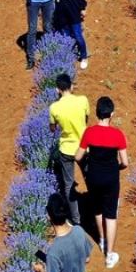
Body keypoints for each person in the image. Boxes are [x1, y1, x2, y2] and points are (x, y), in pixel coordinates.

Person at [75, 97, 128, 269]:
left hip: (94, 177)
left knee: (97, 209)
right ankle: (109, 255)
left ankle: (102, 240)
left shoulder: (89, 133)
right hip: (111, 178)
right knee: (110, 214)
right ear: (111, 114)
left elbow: (78, 156)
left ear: (97, 112)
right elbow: (125, 162)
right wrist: (116, 168)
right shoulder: (118, 135)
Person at [48, 72, 88, 225]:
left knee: (68, 185)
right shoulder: (83, 101)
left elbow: (53, 128)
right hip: (83, 147)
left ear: (58, 90)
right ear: (71, 86)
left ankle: (76, 220)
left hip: (66, 149)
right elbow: (85, 120)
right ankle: (96, 208)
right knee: (89, 177)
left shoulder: (54, 108)